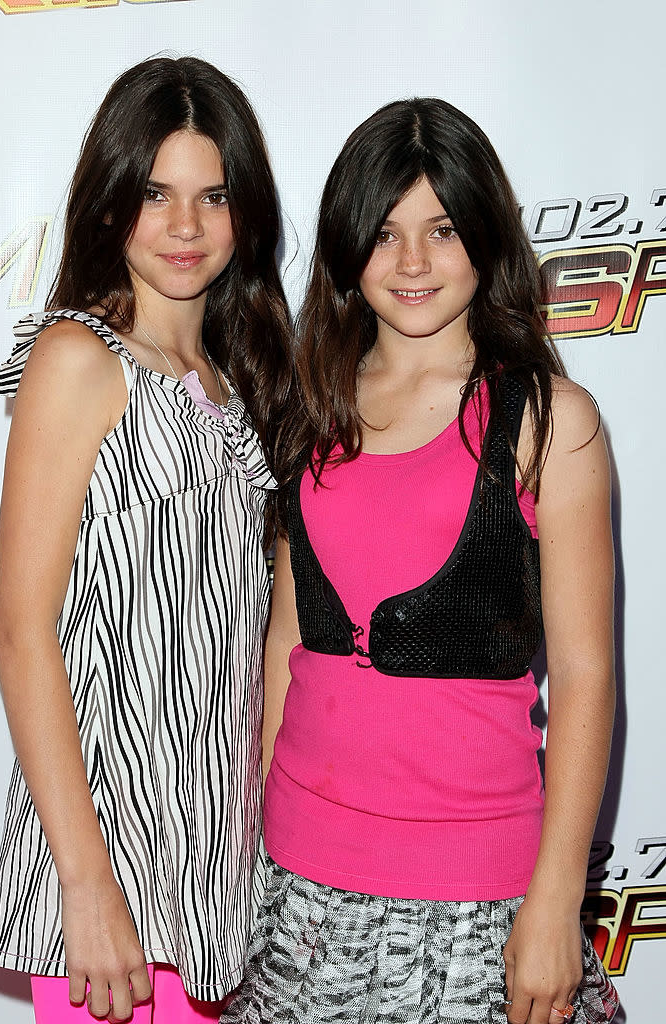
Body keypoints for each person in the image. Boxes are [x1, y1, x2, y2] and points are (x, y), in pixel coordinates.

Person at [222, 99, 619, 1024]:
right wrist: (251, 851)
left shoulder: (550, 422)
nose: (411, 262)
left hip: (480, 901)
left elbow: (591, 678)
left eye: (441, 230)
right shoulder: (308, 409)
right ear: (350, 245)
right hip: (300, 889)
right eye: (388, 232)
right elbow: (289, 640)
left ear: (484, 237)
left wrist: (557, 897)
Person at [0, 55, 291, 1024]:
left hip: (215, 891)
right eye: (156, 193)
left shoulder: (242, 388)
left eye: (212, 196)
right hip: (112, 893)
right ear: (114, 199)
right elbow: (22, 631)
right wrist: (87, 886)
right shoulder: (80, 360)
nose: (186, 227)